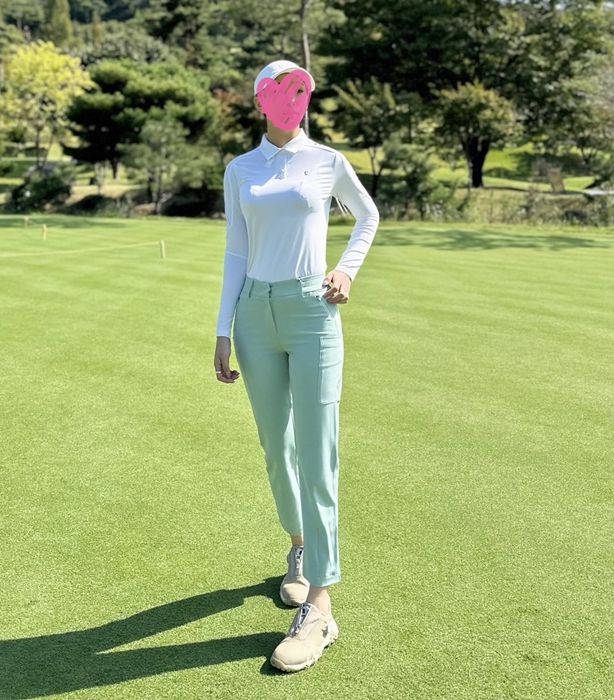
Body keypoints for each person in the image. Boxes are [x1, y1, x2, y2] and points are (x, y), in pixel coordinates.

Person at [213, 59, 379, 672]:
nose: (293, 97)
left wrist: (346, 270)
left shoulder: (327, 161)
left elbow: (367, 216)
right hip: (254, 316)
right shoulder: (241, 169)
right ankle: (301, 547)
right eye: (282, 89)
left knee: (317, 451)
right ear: (261, 99)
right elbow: (236, 249)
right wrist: (223, 327)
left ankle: (320, 605)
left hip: (313, 312)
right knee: (276, 449)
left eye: (301, 89)